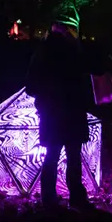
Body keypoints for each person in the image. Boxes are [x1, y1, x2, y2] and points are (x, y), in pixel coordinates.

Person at [26, 22, 94, 210]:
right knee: (73, 156)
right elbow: (87, 67)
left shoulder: (41, 56)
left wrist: (45, 97)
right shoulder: (72, 54)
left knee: (52, 155)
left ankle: (48, 198)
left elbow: (31, 87)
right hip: (72, 112)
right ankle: (77, 199)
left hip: (51, 114)